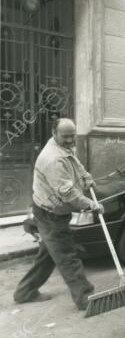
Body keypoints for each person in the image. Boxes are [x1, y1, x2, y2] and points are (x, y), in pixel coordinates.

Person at [13, 118, 103, 311]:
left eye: (73, 135)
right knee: (66, 255)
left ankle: (25, 292)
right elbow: (67, 193)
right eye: (66, 136)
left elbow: (75, 163)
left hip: (52, 210)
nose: (71, 140)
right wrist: (91, 205)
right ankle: (85, 298)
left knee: (48, 254)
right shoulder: (52, 159)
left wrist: (86, 178)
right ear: (54, 133)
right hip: (50, 213)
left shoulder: (62, 146)